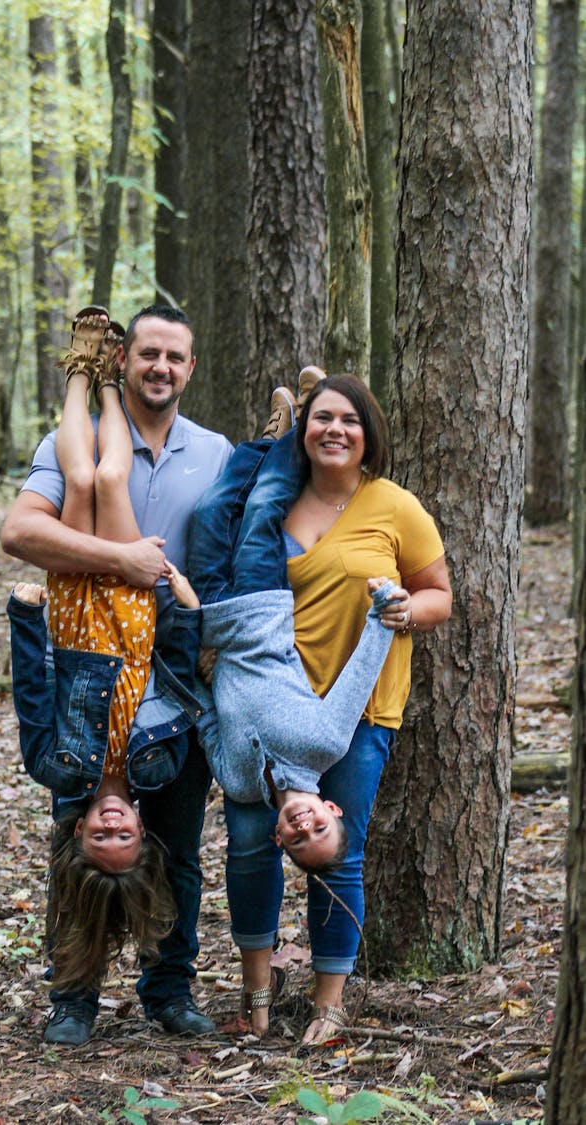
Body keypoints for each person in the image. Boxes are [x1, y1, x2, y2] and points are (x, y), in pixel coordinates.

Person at [192, 370, 452, 1042]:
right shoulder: (279, 497)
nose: (335, 431)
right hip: (273, 707)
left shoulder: (393, 505)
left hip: (360, 713)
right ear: (304, 431)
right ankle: (257, 989)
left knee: (339, 851)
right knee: (251, 845)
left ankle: (329, 1000)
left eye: (350, 422)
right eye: (322, 418)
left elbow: (438, 595)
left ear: (369, 438)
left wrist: (400, 611)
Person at [1, 304, 233, 1044]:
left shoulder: (217, 451)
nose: (162, 367)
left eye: (176, 356)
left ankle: (170, 989)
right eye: (147, 354)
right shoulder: (81, 441)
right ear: (128, 359)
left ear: (191, 367)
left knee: (180, 851)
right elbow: (19, 532)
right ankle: (73, 995)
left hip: (157, 664)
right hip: (139, 625)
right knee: (77, 861)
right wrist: (129, 565)